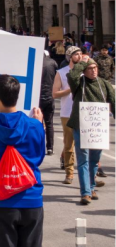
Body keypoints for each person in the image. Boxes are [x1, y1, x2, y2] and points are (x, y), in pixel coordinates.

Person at [0, 75, 45, 247]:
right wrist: (38, 124)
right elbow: (38, 158)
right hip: (31, 197)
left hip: (0, 199)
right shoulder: (35, 126)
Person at [66, 56, 115, 204]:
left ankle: (92, 187)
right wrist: (83, 62)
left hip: (98, 128)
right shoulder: (79, 83)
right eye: (90, 69)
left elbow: (113, 101)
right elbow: (72, 75)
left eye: (95, 68)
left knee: (94, 160)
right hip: (81, 125)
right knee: (83, 160)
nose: (93, 71)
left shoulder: (104, 84)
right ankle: (85, 192)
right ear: (84, 71)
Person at [52, 46, 82, 184]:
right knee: (69, 144)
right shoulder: (61, 72)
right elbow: (55, 93)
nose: (80, 56)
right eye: (76, 54)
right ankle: (69, 173)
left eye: (81, 53)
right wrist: (71, 89)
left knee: (86, 144)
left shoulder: (85, 73)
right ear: (70, 57)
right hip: (67, 112)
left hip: (84, 113)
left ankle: (91, 175)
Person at [40, 52, 58, 155]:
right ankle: (50, 147)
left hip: (37, 96)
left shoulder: (36, 62)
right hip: (50, 96)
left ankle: (38, 145)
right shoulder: (53, 63)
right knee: (49, 123)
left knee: (37, 122)